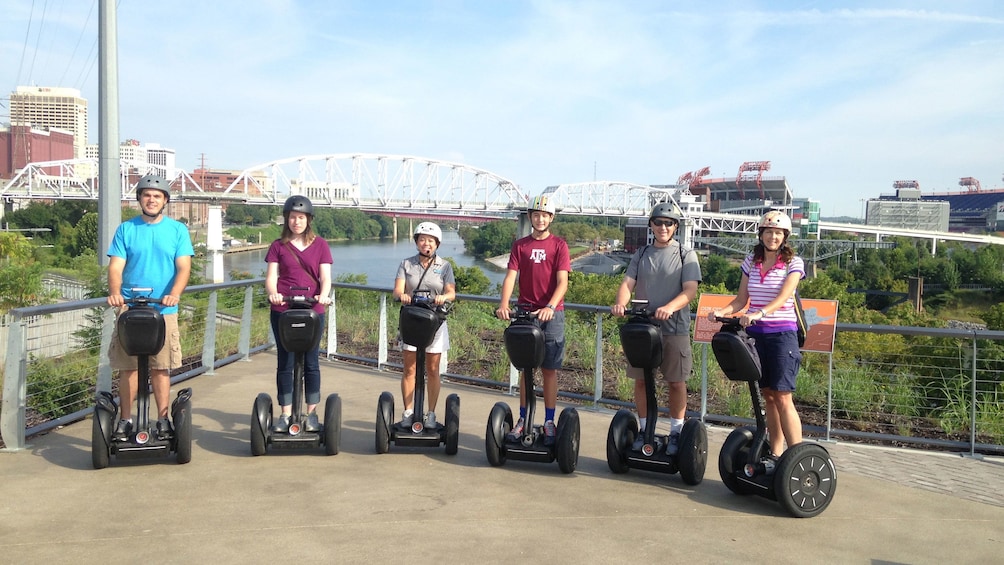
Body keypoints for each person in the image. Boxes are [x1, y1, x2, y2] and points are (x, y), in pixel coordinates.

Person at [709, 210, 805, 460]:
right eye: (769, 232)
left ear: (785, 237)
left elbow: (784, 296)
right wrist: (721, 311)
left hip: (782, 334)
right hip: (756, 335)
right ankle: (775, 452)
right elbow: (741, 299)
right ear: (761, 234)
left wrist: (759, 313)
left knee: (783, 396)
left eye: (778, 233)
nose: (773, 236)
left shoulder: (793, 264)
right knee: (768, 396)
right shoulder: (751, 261)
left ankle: (797, 457)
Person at [106, 174, 194, 440]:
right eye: (147, 195)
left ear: (165, 201)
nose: (152, 199)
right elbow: (115, 267)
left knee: (160, 366)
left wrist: (174, 294)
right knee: (128, 368)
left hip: (163, 310)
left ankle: (163, 419)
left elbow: (183, 267)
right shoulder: (126, 229)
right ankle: (125, 420)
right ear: (140, 199)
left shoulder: (177, 230)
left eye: (157, 196)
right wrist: (114, 293)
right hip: (130, 310)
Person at [611, 202, 701, 453]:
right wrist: (620, 303)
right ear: (651, 225)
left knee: (675, 381)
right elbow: (628, 283)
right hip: (643, 328)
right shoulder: (641, 254)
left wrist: (670, 307)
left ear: (675, 227)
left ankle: (675, 431)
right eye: (659, 222)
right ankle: (644, 428)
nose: (663, 227)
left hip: (674, 328)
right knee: (641, 381)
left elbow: (690, 290)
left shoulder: (686, 254)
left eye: (668, 223)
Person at [495, 194, 570, 446]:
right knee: (526, 370)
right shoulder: (520, 245)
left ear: (551, 218)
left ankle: (549, 420)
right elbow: (510, 277)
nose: (540, 219)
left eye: (545, 215)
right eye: (536, 215)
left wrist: (550, 306)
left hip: (552, 314)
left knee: (549, 369)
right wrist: (504, 304)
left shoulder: (559, 245)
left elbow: (562, 282)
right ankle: (523, 417)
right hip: (525, 313)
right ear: (530, 217)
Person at [265, 195, 333, 433]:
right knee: (286, 361)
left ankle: (312, 413)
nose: (296, 221)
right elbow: (271, 277)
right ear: (287, 219)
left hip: (312, 310)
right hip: (283, 309)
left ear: (308, 220)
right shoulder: (278, 245)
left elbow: (325, 277)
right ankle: (285, 414)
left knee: (312, 362)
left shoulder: (321, 245)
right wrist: (273, 293)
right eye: (293, 217)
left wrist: (324, 294)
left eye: (301, 217)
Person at [392, 222, 456, 429]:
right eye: (422, 239)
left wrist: (443, 297)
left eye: (430, 240)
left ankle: (430, 413)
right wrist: (402, 295)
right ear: (417, 242)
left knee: (433, 369)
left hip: (435, 321)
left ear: (437, 244)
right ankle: (408, 411)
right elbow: (397, 290)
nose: (426, 243)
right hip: (412, 321)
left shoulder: (445, 266)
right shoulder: (406, 264)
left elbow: (451, 293)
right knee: (409, 369)